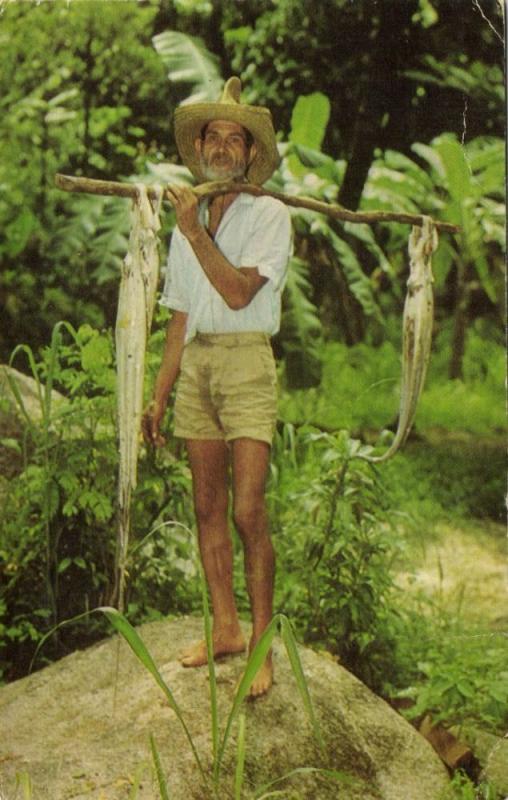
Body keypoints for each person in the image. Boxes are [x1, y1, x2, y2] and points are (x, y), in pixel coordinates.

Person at [142, 77, 292, 698]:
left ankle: (262, 644)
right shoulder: (191, 219)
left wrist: (195, 232)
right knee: (206, 507)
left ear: (251, 153)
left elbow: (235, 293)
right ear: (200, 148)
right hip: (198, 364)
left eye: (237, 138)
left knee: (247, 509)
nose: (225, 147)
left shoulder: (271, 215)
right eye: (215, 137)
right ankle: (225, 627)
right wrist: (158, 394)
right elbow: (180, 316)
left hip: (247, 362)